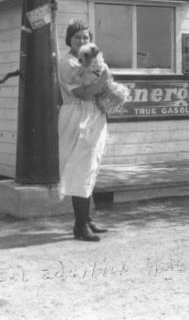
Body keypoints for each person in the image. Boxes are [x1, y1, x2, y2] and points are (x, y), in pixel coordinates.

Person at [58, 20, 109, 242]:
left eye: (86, 37)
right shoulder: (69, 62)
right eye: (77, 37)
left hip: (94, 115)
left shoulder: (93, 59)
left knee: (90, 167)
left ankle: (86, 219)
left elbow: (97, 88)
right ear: (68, 39)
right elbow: (84, 94)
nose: (82, 41)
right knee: (80, 169)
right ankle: (79, 226)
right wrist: (105, 79)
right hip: (78, 115)